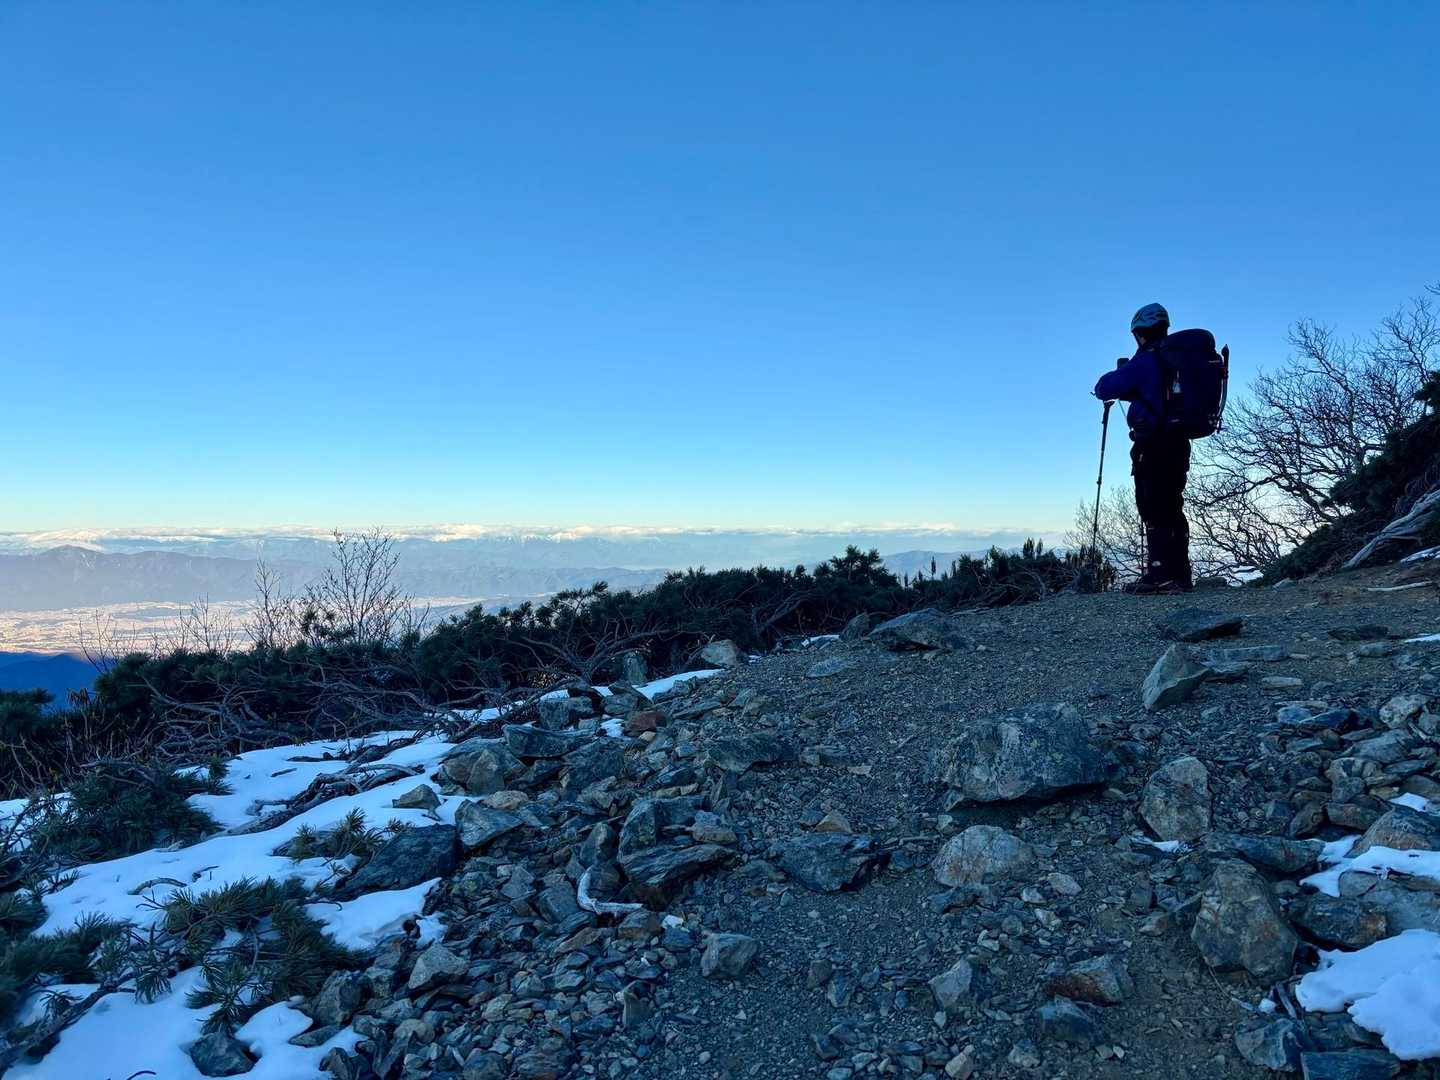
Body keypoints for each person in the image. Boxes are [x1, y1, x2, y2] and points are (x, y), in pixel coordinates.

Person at [1093, 303, 1193, 594]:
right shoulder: (1175, 363)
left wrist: (1125, 373)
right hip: (1178, 441)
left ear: (1139, 333)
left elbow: (1104, 388)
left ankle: (1159, 573)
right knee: (1172, 504)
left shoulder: (1146, 360)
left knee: (1153, 505)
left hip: (1153, 443)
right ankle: (1180, 575)